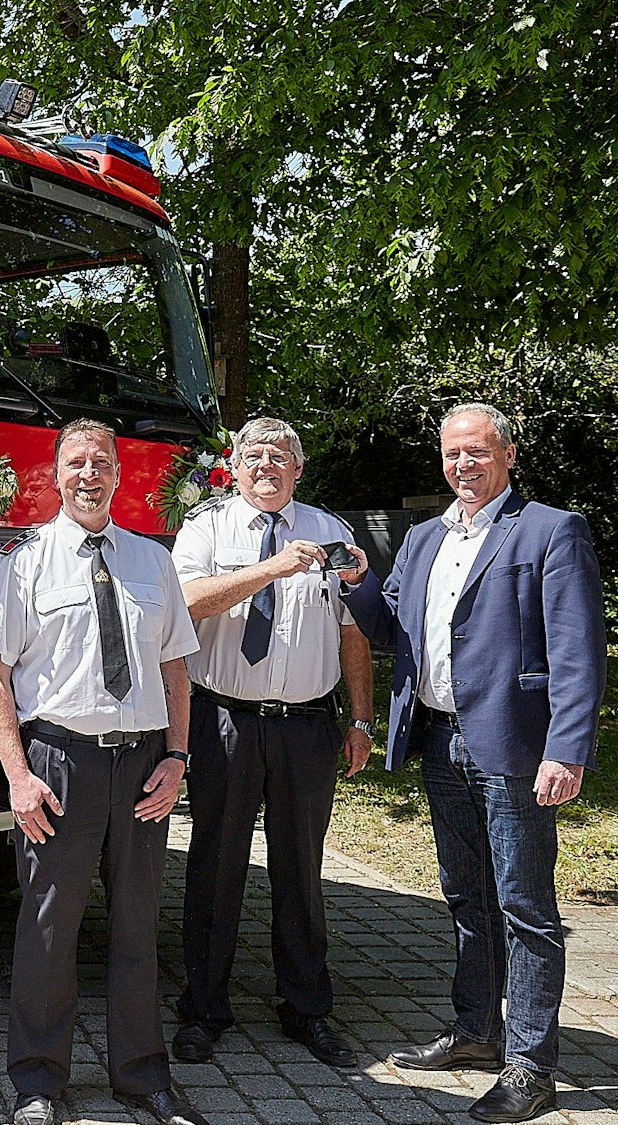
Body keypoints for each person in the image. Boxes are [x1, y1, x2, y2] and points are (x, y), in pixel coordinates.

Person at [339, 403, 603, 1123]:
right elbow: (394, 627)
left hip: (516, 746)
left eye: (478, 453)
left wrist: (566, 747)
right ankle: (477, 1031)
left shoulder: (551, 530)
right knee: (466, 898)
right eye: (453, 453)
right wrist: (360, 580)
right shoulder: (424, 538)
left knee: (526, 908)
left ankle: (529, 1064)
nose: (464, 465)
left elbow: (579, 651)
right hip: (440, 740)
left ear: (507, 456)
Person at [0, 419, 208, 1125]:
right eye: (75, 462)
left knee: (138, 926)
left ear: (117, 474)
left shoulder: (152, 560)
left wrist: (177, 755)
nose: (88, 473)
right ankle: (38, 1082)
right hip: (59, 763)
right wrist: (17, 775)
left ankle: (142, 1075)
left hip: (141, 765)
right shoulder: (24, 562)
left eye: (100, 461)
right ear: (54, 473)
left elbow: (175, 666)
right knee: (49, 927)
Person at [168, 417, 374, 1069]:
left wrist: (361, 719)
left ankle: (307, 1007)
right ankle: (203, 1007)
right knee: (215, 867)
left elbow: (353, 631)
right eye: (253, 455)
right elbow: (187, 602)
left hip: (308, 726)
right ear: (234, 464)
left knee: (301, 871)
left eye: (279, 456)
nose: (266, 465)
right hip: (226, 720)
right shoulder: (207, 527)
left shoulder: (332, 533)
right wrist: (273, 567)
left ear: (299, 469)